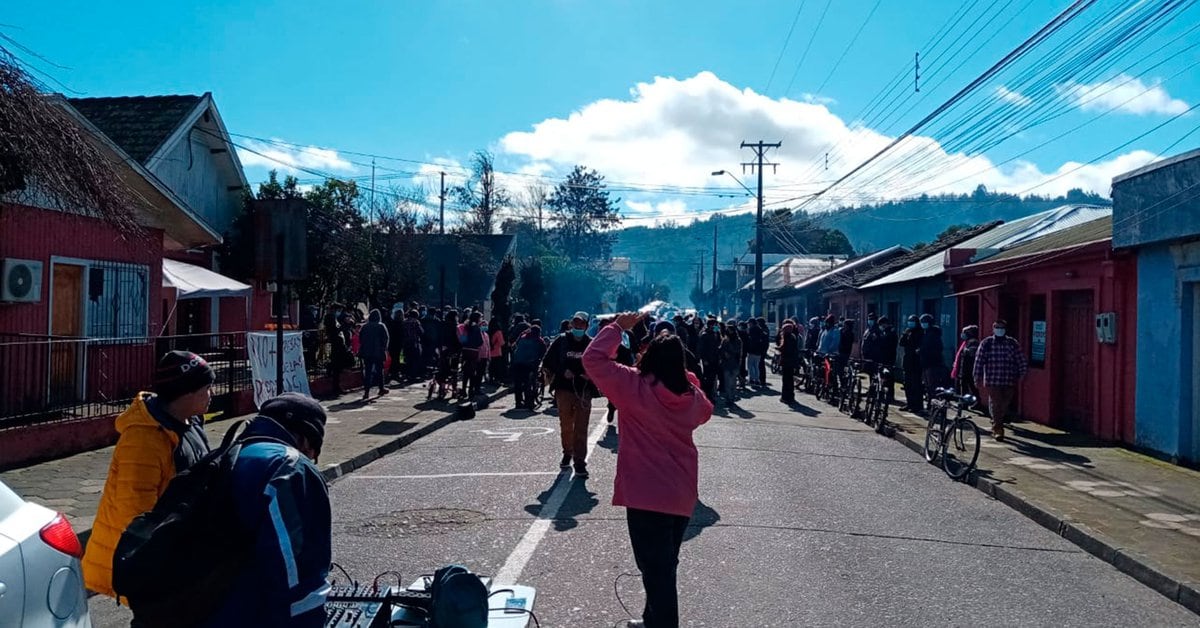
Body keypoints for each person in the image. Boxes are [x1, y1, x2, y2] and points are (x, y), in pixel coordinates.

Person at [581, 312, 712, 628]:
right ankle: (650, 620)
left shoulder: (634, 386)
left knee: (657, 571)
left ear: (649, 356)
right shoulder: (691, 396)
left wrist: (617, 328)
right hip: (680, 495)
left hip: (645, 495)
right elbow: (706, 410)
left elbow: (593, 359)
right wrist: (684, 375)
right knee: (663, 567)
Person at [83, 351, 214, 598]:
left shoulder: (189, 423)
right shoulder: (144, 439)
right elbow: (135, 514)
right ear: (186, 392)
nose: (211, 395)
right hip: (143, 562)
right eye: (206, 388)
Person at [199, 393, 331, 628]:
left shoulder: (223, 456)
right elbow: (297, 573)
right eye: (314, 453)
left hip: (204, 609)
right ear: (306, 440)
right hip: (252, 613)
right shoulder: (290, 467)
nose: (312, 460)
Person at [542, 311, 599, 477]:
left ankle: (580, 461)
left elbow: (600, 363)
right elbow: (548, 361)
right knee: (566, 424)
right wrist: (562, 371)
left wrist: (589, 374)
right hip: (563, 389)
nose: (577, 326)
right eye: (575, 323)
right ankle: (568, 451)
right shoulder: (561, 341)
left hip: (583, 390)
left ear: (587, 326)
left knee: (581, 427)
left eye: (581, 324)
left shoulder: (591, 344)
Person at [972, 319, 1027, 441]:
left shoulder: (1012, 343)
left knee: (1004, 404)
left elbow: (1020, 358)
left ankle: (996, 420)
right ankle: (998, 429)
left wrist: (1023, 373)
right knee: (997, 403)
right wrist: (977, 377)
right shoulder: (987, 343)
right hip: (993, 380)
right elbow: (979, 361)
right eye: (997, 327)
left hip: (1008, 379)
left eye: (1002, 328)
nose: (999, 330)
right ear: (993, 329)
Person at [511, 325, 547, 409]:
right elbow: (544, 353)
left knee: (518, 384)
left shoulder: (522, 338)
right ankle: (528, 401)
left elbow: (515, 347)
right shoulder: (539, 340)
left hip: (517, 363)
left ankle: (518, 402)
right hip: (530, 364)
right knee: (529, 382)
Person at [358, 309, 390, 400]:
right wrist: (384, 348)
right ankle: (381, 388)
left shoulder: (365, 326)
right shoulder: (381, 326)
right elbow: (386, 338)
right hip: (378, 352)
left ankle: (366, 391)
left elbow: (360, 339)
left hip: (366, 352)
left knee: (367, 372)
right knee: (379, 370)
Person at [898, 314, 925, 415]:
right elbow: (901, 343)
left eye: (912, 321)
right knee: (907, 385)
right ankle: (909, 404)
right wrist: (904, 334)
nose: (910, 323)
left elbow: (919, 345)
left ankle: (917, 406)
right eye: (909, 321)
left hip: (916, 362)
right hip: (907, 361)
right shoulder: (907, 331)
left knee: (916, 385)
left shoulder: (920, 332)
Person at [918, 313, 947, 395]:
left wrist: (922, 351)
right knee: (927, 384)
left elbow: (936, 349)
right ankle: (930, 401)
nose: (923, 324)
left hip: (932, 363)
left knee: (932, 384)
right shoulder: (926, 333)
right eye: (922, 322)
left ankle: (934, 401)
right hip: (926, 362)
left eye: (924, 322)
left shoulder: (933, 334)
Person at [952, 325, 981, 404]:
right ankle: (964, 401)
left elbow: (972, 353)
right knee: (964, 386)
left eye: (964, 333)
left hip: (969, 369)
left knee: (971, 387)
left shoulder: (973, 342)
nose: (962, 334)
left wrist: (967, 351)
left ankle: (975, 402)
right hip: (965, 369)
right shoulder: (966, 343)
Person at [697, 317, 721, 402]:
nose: (717, 326)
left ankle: (712, 394)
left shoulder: (717, 333)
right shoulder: (705, 335)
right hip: (708, 360)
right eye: (715, 325)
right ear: (711, 325)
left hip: (715, 359)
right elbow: (701, 349)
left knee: (714, 377)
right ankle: (708, 395)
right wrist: (704, 359)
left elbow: (718, 344)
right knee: (708, 378)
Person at [719, 324, 743, 406]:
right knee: (727, 383)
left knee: (732, 382)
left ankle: (731, 398)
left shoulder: (738, 340)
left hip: (734, 364)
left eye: (729, 330)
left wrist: (728, 352)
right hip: (726, 364)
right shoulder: (725, 340)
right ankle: (729, 398)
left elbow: (738, 351)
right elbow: (721, 350)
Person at [778, 320, 800, 404]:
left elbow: (787, 349)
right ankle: (790, 396)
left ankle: (785, 397)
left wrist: (780, 349)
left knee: (786, 380)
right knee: (789, 380)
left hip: (787, 361)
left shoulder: (788, 337)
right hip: (791, 361)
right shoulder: (792, 336)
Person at [403, 309, 425, 382]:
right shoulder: (416, 322)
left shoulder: (404, 322)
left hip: (406, 342)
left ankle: (407, 374)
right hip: (414, 342)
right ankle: (413, 375)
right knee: (415, 359)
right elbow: (421, 332)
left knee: (408, 359)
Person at [385, 305, 405, 384]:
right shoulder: (402, 324)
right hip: (399, 343)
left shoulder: (391, 323)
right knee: (398, 358)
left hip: (391, 343)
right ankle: (395, 373)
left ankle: (391, 372)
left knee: (393, 357)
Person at [488, 316, 506, 384]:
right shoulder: (498, 332)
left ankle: (490, 378)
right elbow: (502, 343)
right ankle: (496, 380)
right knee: (497, 367)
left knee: (491, 366)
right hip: (497, 351)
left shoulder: (489, 331)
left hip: (490, 351)